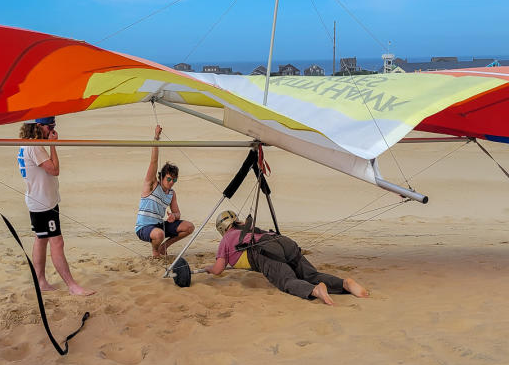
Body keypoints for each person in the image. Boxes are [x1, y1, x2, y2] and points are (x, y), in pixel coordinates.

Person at [204, 210, 369, 305]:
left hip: (265, 251)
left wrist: (208, 269)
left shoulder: (226, 239)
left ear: (222, 228)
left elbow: (219, 269)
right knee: (311, 275)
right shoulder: (251, 229)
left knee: (287, 281)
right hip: (283, 241)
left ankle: (315, 290)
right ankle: (344, 284)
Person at [17, 117, 94, 296]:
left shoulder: (26, 144)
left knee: (41, 239)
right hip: (43, 204)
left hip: (39, 201)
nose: (52, 130)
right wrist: (53, 144)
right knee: (57, 242)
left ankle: (41, 280)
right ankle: (72, 286)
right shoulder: (34, 146)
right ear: (38, 127)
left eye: (54, 126)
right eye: (49, 127)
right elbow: (54, 170)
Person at [135, 124, 195, 257]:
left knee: (189, 227)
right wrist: (156, 137)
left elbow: (177, 213)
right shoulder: (151, 184)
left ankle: (164, 247)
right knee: (159, 234)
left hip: (159, 225)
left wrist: (175, 216)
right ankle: (155, 251)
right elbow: (153, 161)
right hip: (144, 228)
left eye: (174, 180)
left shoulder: (171, 194)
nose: (171, 183)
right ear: (162, 177)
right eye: (169, 179)